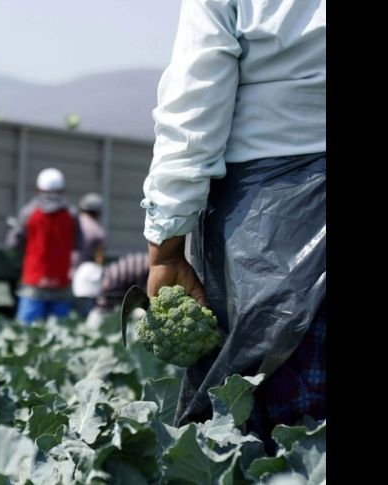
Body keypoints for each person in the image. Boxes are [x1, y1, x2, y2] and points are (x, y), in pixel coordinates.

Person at [141, 0, 325, 450]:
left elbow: (194, 105)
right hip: (271, 206)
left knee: (270, 428)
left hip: (266, 216)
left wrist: (165, 248)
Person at [5, 168, 82, 325]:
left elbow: (12, 243)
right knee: (62, 336)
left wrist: (20, 261)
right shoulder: (72, 215)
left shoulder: (29, 212)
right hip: (61, 283)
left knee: (24, 334)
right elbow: (79, 245)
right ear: (63, 190)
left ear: (39, 189)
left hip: (34, 282)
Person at [72, 193, 106, 270]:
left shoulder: (71, 222)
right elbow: (99, 260)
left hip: (63, 272)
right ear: (98, 212)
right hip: (82, 275)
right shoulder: (98, 231)